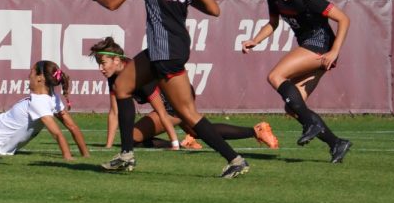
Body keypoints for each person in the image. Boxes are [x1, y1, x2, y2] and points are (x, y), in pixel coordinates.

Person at [84, 0, 250, 178]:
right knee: (122, 86)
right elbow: (214, 9)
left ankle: (235, 159)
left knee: (187, 114)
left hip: (164, 50)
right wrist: (183, 0)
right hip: (174, 46)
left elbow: (114, 3)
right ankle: (126, 154)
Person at [243, 0, 351, 163]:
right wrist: (255, 40)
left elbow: (344, 19)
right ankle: (336, 143)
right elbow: (273, 23)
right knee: (293, 107)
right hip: (309, 46)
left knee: (275, 75)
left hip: (321, 45)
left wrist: (335, 51)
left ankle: (311, 125)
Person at [90, 37, 279, 151]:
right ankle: (256, 131)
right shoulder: (114, 77)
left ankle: (179, 144)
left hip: (173, 104)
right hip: (174, 100)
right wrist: (108, 146)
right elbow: (114, 113)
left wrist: (173, 142)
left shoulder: (136, 73)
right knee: (198, 131)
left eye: (103, 63)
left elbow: (161, 111)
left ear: (116, 60)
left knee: (131, 138)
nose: (100, 68)